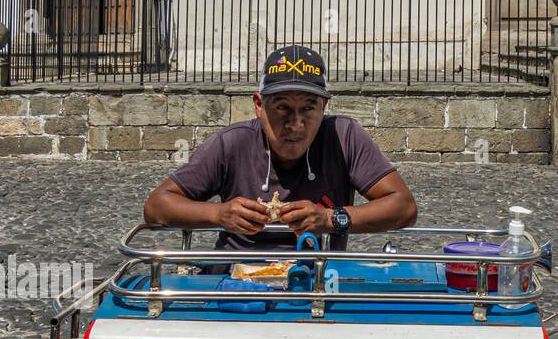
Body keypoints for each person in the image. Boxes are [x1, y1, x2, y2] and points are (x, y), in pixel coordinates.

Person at [143, 45, 416, 252]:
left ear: (324, 107)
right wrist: (219, 214)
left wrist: (330, 219)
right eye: (282, 107)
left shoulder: (344, 137)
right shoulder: (233, 143)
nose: (295, 125)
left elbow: (404, 207)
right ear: (259, 105)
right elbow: (156, 207)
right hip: (236, 281)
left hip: (317, 278)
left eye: (308, 108)